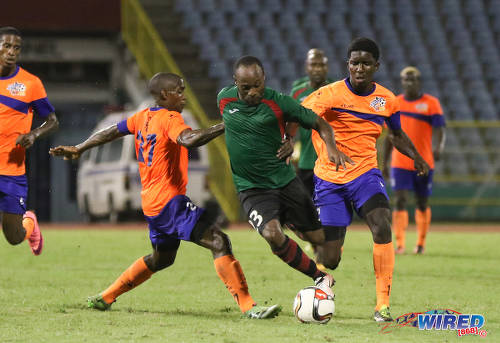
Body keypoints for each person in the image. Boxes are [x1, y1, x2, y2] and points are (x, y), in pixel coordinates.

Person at [50, 72, 281, 319]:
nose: (184, 97)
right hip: (170, 203)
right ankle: (249, 307)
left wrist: (81, 147)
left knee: (162, 259)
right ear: (164, 95)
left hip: (152, 204)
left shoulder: (142, 117)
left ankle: (105, 297)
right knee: (218, 240)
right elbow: (189, 140)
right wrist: (227, 124)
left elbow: (111, 131)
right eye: (179, 92)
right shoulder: (170, 118)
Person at [301, 38, 430, 322]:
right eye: (354, 63)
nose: (359, 68)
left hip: (365, 175)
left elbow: (395, 134)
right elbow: (297, 114)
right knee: (331, 258)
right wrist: (287, 142)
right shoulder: (328, 95)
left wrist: (416, 156)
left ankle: (382, 305)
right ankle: (320, 289)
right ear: (347, 65)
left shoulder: (386, 99)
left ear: (376, 66)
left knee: (382, 225)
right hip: (329, 179)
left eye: (365, 63)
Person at [218, 56, 353, 297]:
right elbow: (230, 122)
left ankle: (323, 225)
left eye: (257, 85)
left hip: (285, 182)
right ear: (235, 82)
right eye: (245, 87)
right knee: (272, 234)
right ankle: (320, 277)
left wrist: (326, 146)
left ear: (264, 80)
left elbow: (319, 123)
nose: (252, 92)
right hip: (251, 189)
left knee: (325, 247)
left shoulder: (279, 101)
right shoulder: (224, 99)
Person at [0, 26, 59, 256]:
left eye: (16, 48)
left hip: (12, 170)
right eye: (6, 46)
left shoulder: (30, 83)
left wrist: (34, 134)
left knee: (14, 238)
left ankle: (30, 223)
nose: (11, 52)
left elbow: (53, 121)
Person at [382, 66, 446, 255]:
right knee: (400, 200)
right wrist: (384, 162)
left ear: (419, 82)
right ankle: (400, 244)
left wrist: (439, 147)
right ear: (402, 82)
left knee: (422, 201)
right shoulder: (395, 103)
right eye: (405, 79)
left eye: (413, 79)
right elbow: (389, 136)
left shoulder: (431, 103)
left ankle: (420, 243)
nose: (409, 82)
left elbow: (441, 129)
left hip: (424, 161)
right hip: (400, 163)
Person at [290, 48, 333, 197]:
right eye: (313, 65)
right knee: (306, 213)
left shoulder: (337, 90)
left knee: (330, 213)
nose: (317, 69)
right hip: (306, 162)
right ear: (306, 66)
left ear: (327, 67)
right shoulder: (297, 92)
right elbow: (291, 124)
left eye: (321, 65)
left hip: (331, 162)